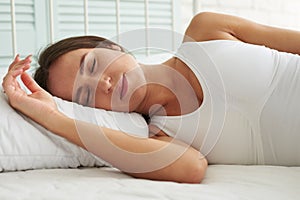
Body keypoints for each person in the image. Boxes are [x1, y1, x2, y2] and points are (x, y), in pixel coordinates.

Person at [2, 12, 300, 183]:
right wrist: (53, 118)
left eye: (91, 64)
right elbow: (191, 169)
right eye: (85, 95)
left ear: (111, 46)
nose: (102, 83)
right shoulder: (163, 137)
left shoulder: (207, 30)